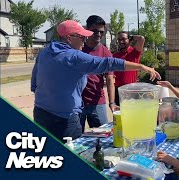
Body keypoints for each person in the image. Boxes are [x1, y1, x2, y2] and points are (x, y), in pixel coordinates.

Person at [31, 20, 160, 142]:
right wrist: (142, 67)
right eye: (81, 37)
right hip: (64, 120)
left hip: (40, 114)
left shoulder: (44, 52)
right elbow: (108, 63)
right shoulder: (74, 56)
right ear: (69, 38)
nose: (84, 40)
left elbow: (34, 84)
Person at [80, 15, 117, 133]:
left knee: (102, 135)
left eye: (101, 32)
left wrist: (112, 102)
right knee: (75, 137)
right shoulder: (78, 48)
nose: (99, 35)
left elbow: (110, 79)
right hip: (77, 103)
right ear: (87, 29)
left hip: (97, 103)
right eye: (94, 31)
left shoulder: (105, 52)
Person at [113, 31, 145, 106]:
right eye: (119, 39)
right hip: (118, 90)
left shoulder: (134, 53)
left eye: (123, 39)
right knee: (119, 114)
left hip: (132, 89)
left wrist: (132, 37)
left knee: (132, 114)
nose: (121, 41)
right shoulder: (115, 55)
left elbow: (141, 39)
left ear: (129, 40)